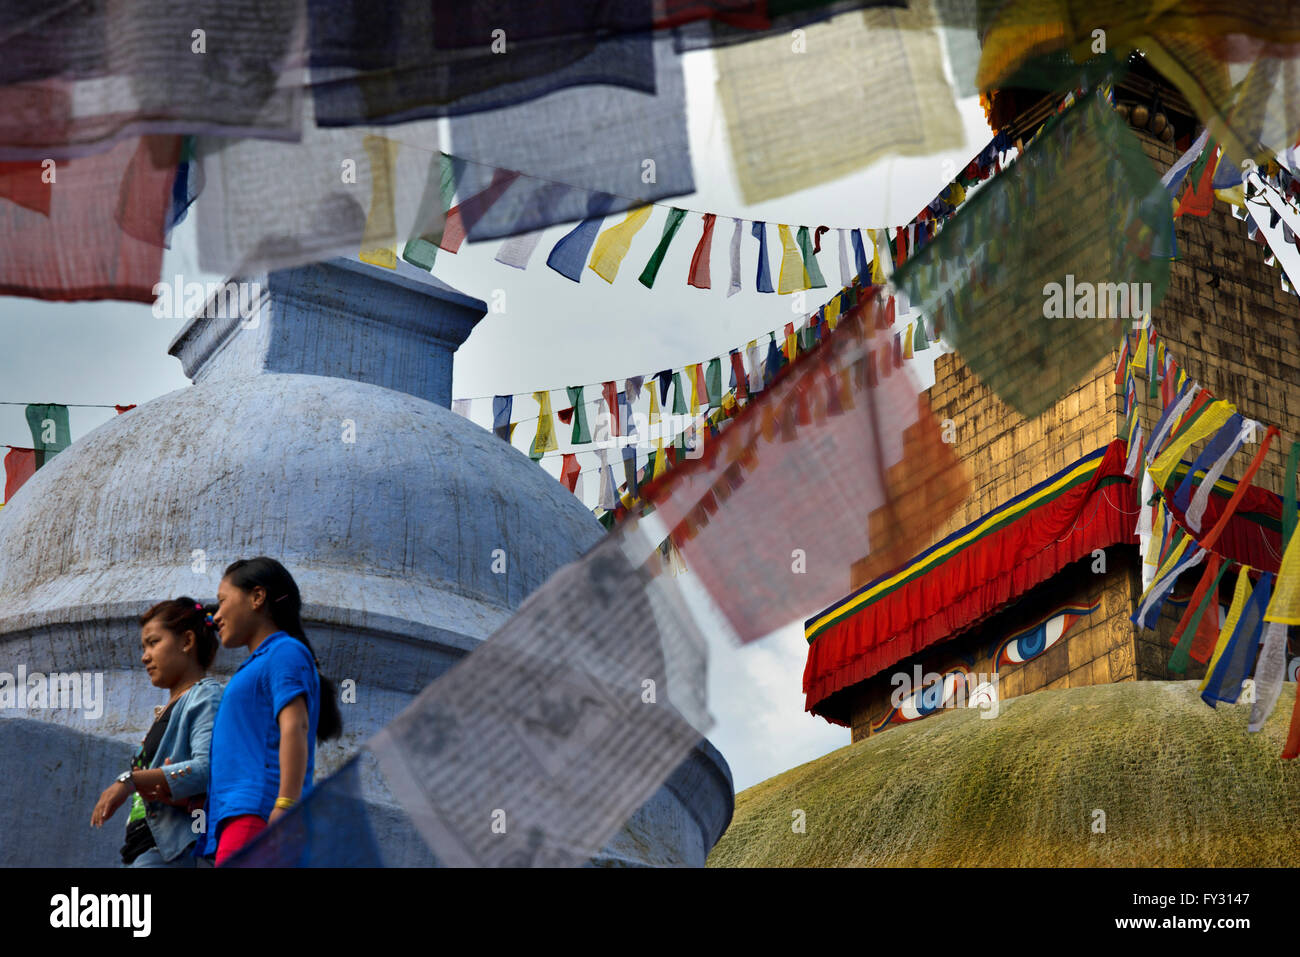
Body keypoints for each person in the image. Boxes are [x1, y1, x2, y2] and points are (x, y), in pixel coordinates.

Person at [202, 557, 342, 866]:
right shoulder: (259, 663)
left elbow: (297, 727)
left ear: (257, 597)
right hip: (240, 818)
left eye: (223, 601)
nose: (215, 616)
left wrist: (286, 803)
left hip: (259, 815)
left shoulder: (285, 652)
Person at [91, 598, 223, 867]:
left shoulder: (205, 696)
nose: (144, 656)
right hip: (144, 848)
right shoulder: (166, 710)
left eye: (153, 642)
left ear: (187, 641)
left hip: (175, 851)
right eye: (144, 647)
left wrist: (129, 781)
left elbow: (207, 768)